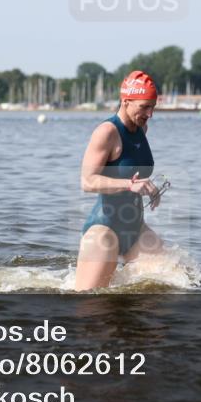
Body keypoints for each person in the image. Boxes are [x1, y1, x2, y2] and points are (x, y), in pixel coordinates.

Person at [75, 71, 165, 291]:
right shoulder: (107, 132)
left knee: (173, 284)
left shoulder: (142, 129)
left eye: (153, 106)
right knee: (90, 305)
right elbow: (87, 181)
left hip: (136, 229)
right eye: (145, 106)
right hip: (104, 232)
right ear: (126, 101)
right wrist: (129, 185)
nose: (150, 113)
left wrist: (150, 188)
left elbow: (130, 168)